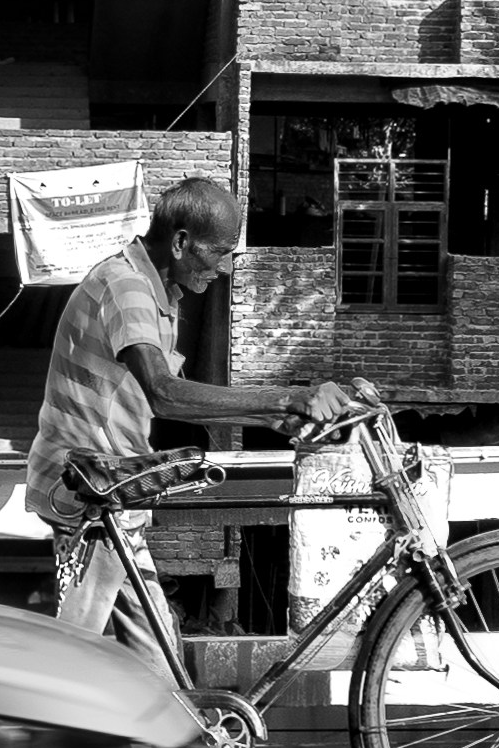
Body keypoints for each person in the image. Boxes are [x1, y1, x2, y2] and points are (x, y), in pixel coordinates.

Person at [25, 178, 357, 664]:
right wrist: (291, 396)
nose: (223, 268)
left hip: (117, 489)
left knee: (157, 646)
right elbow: (165, 394)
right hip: (91, 491)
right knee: (75, 654)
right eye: (218, 252)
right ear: (181, 242)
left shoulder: (160, 293)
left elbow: (172, 397)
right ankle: (41, 729)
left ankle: (174, 734)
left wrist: (275, 415)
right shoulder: (127, 287)